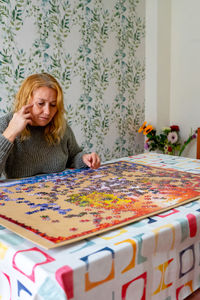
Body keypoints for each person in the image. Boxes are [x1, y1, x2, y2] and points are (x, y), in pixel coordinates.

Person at [0, 73, 101, 179]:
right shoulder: (5, 125)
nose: (47, 112)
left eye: (53, 105)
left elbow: (74, 156)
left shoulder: (59, 125)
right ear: (25, 100)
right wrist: (10, 133)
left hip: (60, 191)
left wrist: (85, 159)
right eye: (40, 103)